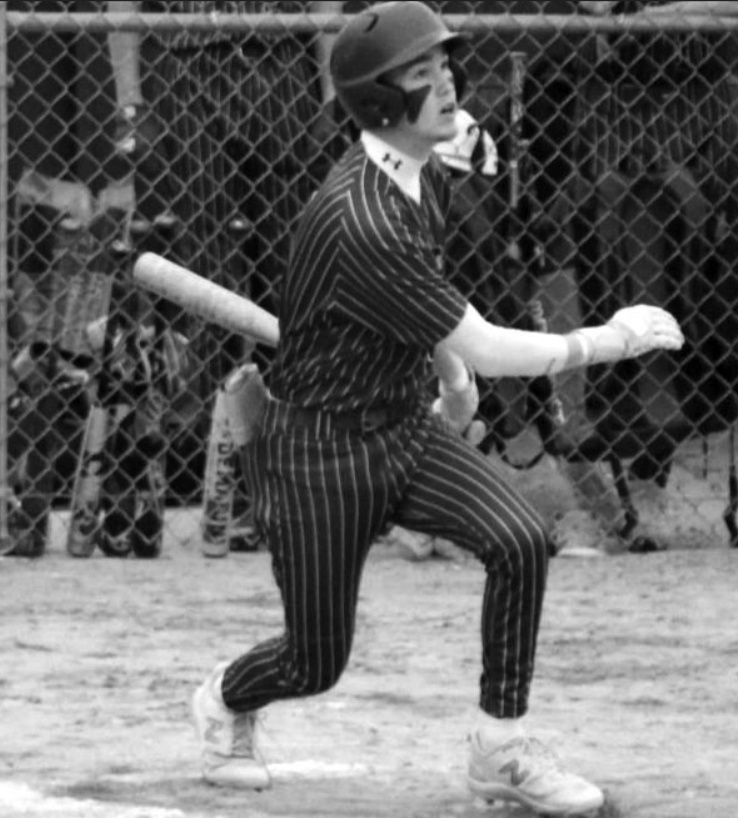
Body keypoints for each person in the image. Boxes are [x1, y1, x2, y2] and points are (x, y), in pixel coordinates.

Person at [191, 3, 684, 814]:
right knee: (316, 662)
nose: (448, 83)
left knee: (519, 539)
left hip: (399, 424)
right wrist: (606, 339)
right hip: (318, 454)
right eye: (423, 75)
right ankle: (224, 699)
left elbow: (431, 312)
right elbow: (484, 342)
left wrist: (453, 389)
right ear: (380, 102)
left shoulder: (425, 177)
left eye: (444, 66)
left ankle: (500, 749)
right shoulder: (362, 219)